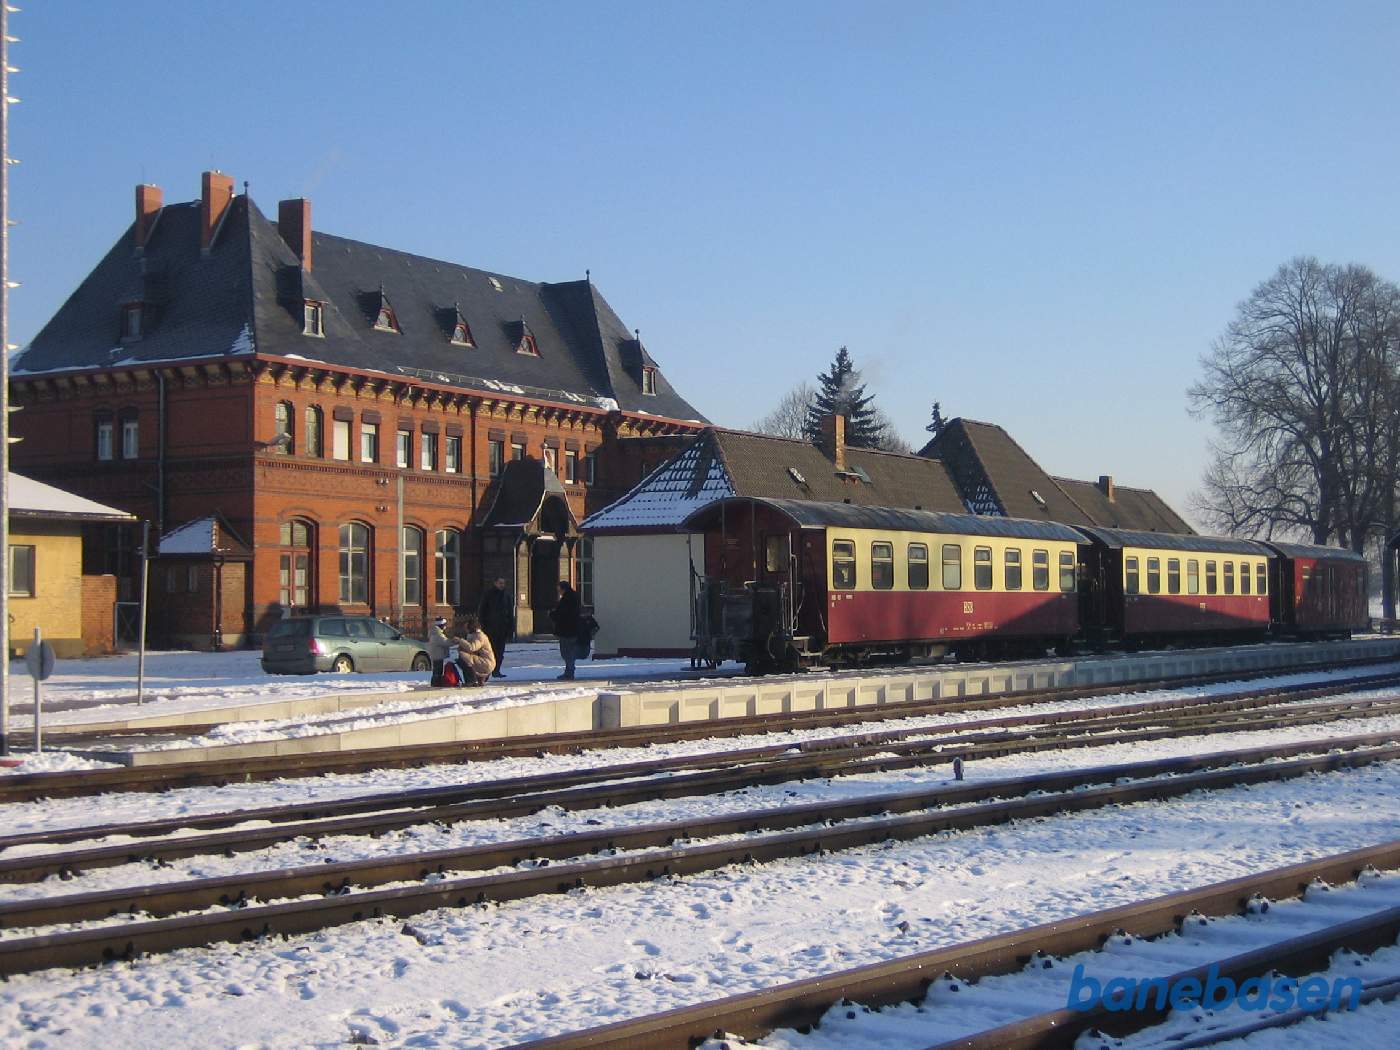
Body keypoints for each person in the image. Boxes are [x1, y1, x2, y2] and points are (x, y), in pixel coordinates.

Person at [477, 577, 514, 678]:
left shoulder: (507, 596)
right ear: (495, 583)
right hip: (490, 628)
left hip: (503, 628)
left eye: (503, 583)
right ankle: (488, 670)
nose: (502, 585)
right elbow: (482, 611)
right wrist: (483, 625)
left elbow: (510, 613)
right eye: (500, 583)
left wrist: (511, 628)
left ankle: (497, 670)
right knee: (489, 651)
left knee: (500, 651)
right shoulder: (488, 595)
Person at [550, 579, 581, 680]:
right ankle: (569, 671)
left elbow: (562, 614)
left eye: (559, 590)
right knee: (569, 651)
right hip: (573, 628)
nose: (558, 592)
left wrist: (552, 614)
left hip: (567, 629)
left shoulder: (567, 599)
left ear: (563, 589)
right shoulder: (574, 597)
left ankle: (569, 672)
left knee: (566, 652)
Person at [454, 613, 496, 686]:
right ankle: (477, 678)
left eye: (467, 627)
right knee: (462, 656)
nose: (465, 629)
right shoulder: (473, 635)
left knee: (463, 656)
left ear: (471, 627)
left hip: (487, 663)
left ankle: (472, 680)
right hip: (482, 661)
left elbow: (472, 648)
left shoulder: (479, 636)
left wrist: (460, 641)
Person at [427, 616, 452, 687]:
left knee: (436, 669)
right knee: (438, 670)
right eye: (444, 625)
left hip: (435, 654)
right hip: (438, 655)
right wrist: (455, 641)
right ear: (441, 625)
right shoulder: (437, 634)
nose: (445, 627)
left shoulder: (434, 632)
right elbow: (446, 642)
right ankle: (436, 683)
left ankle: (435, 682)